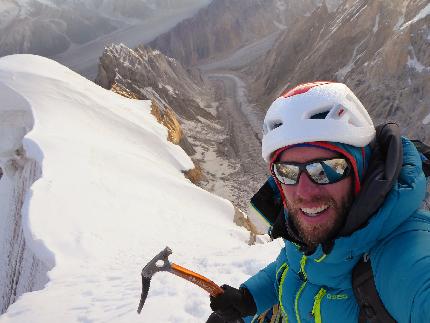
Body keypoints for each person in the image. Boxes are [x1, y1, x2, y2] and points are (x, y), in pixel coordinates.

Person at [206, 82, 430, 323]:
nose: (304, 191)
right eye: (287, 171)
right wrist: (248, 300)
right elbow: (296, 266)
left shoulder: (403, 258)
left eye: (327, 169)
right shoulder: (311, 233)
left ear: (361, 170)